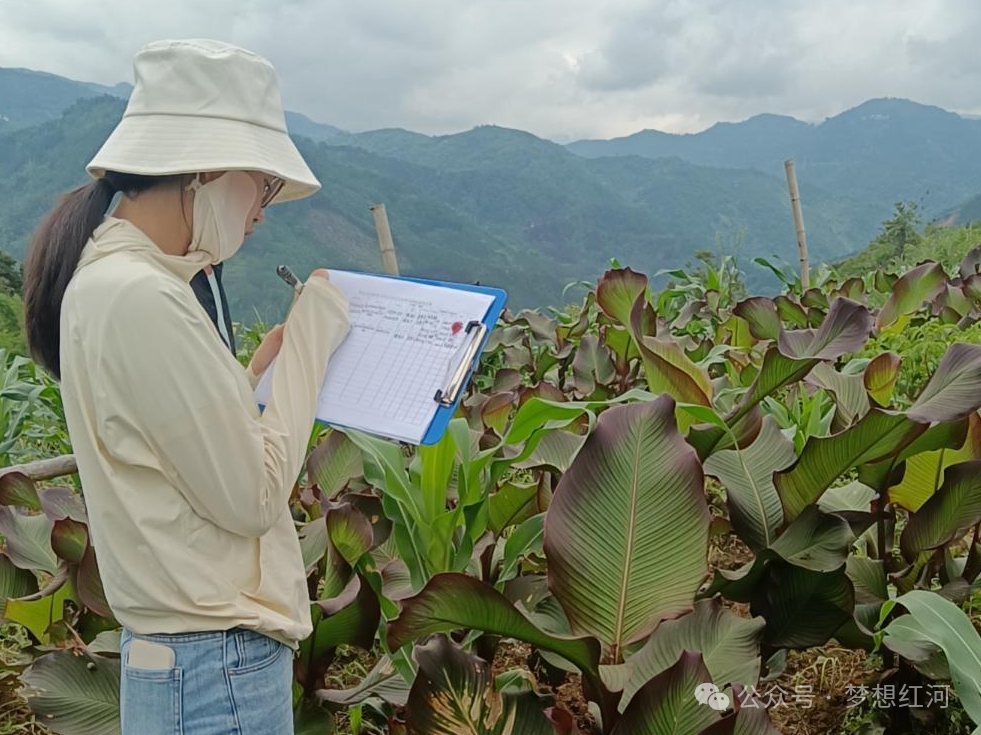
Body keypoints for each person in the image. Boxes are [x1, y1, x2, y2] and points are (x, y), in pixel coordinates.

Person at [21, 39, 350, 735]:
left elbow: (171, 442)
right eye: (260, 184)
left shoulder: (112, 280)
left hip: (186, 659)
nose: (262, 210)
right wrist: (309, 350)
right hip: (215, 664)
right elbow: (251, 497)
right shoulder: (142, 295)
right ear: (204, 168)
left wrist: (254, 375)